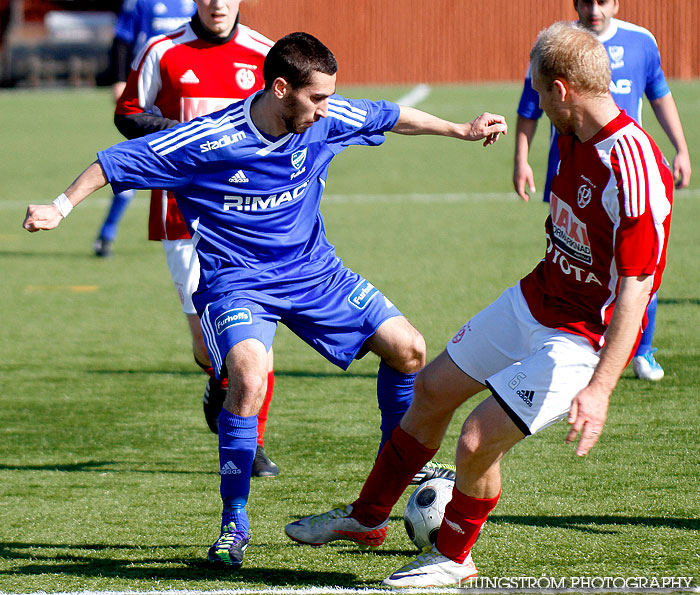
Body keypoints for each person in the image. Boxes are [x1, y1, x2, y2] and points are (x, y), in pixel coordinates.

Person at [22, 32, 507, 571]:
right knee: (250, 380)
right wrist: (60, 207)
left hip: (314, 272)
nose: (326, 109)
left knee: (409, 350)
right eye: (316, 98)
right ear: (281, 88)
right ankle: (234, 523)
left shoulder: (325, 116)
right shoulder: (207, 140)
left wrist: (460, 130)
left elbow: (391, 115)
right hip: (238, 282)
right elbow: (114, 162)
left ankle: (396, 472)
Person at [284, 22, 674, 587]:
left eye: (539, 91)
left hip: (585, 338)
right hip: (536, 299)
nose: (535, 103)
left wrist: (601, 388)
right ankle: (366, 520)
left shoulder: (631, 167)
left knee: (475, 441)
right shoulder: (574, 135)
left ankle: (453, 555)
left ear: (561, 90)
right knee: (432, 390)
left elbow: (637, 290)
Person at [114, 0, 280, 477]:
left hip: (250, 218)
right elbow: (128, 114)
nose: (217, 4)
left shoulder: (265, 54)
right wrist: (187, 135)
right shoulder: (161, 51)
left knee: (256, 341)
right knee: (210, 347)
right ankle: (217, 377)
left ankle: (252, 446)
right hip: (182, 215)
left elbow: (292, 118)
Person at [513, 0, 691, 382]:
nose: (594, 8)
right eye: (585, 1)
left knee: (637, 262)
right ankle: (564, 334)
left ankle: (640, 349)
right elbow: (530, 106)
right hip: (573, 168)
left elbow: (659, 94)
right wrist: (521, 159)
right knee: (573, 252)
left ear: (617, 2)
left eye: (602, 0)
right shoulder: (557, 44)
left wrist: (681, 148)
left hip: (623, 175)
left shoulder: (641, 41)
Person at [94, 0, 196, 258]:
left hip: (181, 90)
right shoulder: (140, 1)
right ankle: (107, 232)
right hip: (146, 90)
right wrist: (119, 80)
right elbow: (122, 39)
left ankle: (197, 233)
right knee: (136, 158)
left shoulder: (195, 4)